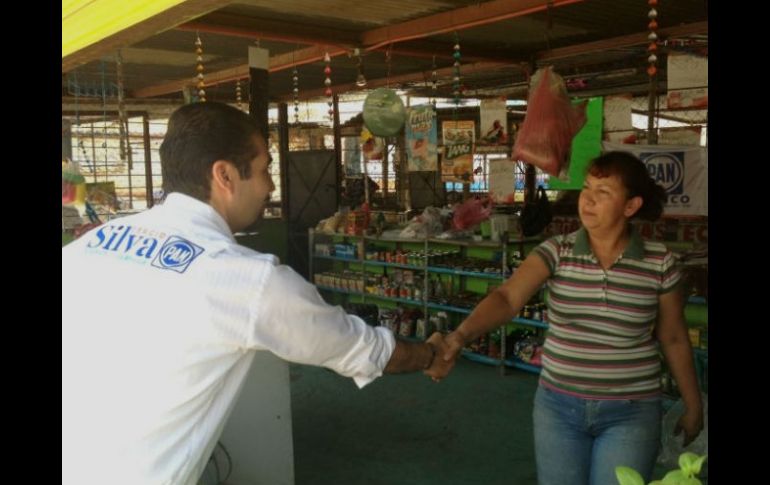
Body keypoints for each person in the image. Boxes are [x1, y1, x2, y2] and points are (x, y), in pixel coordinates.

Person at [62, 101, 450, 485]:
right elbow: (362, 349)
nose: (270, 186)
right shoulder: (244, 279)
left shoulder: (90, 243)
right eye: (265, 169)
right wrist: (431, 354)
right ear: (225, 175)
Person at [432, 151, 704, 484]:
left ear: (630, 206)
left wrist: (693, 404)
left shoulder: (659, 262)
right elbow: (506, 298)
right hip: (558, 408)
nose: (588, 199)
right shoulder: (555, 251)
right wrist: (460, 335)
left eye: (603, 193)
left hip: (631, 410)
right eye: (587, 188)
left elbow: (674, 337)